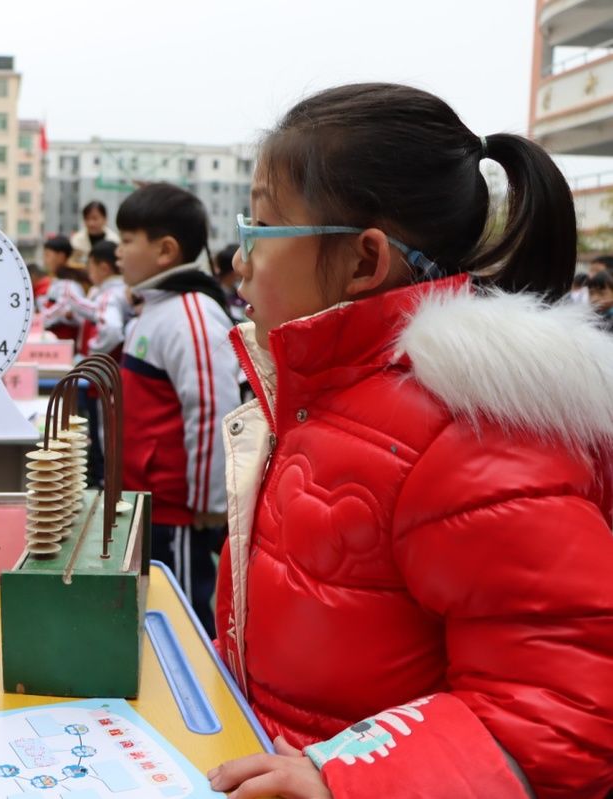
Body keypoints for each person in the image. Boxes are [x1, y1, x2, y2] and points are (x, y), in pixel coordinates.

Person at [207, 83, 613, 799]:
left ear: (365, 261)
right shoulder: (323, 399)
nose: (240, 260)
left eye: (260, 227)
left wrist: (341, 776)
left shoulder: (472, 434)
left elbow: (564, 716)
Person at [116, 182, 240, 637]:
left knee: (182, 622)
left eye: (128, 239)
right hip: (151, 503)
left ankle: (196, 703)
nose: (118, 251)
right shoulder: (155, 309)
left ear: (166, 250)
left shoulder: (191, 313)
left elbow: (211, 409)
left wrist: (209, 503)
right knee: (154, 615)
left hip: (181, 511)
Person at [38, 235, 89, 343]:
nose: (45, 260)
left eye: (47, 255)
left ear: (61, 256)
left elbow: (59, 310)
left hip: (64, 343)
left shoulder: (68, 284)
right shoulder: (58, 280)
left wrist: (37, 320)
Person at [69, 200, 119, 267]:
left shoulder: (114, 240)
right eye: (87, 219)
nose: (91, 223)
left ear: (105, 219)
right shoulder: (76, 240)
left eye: (94, 218)